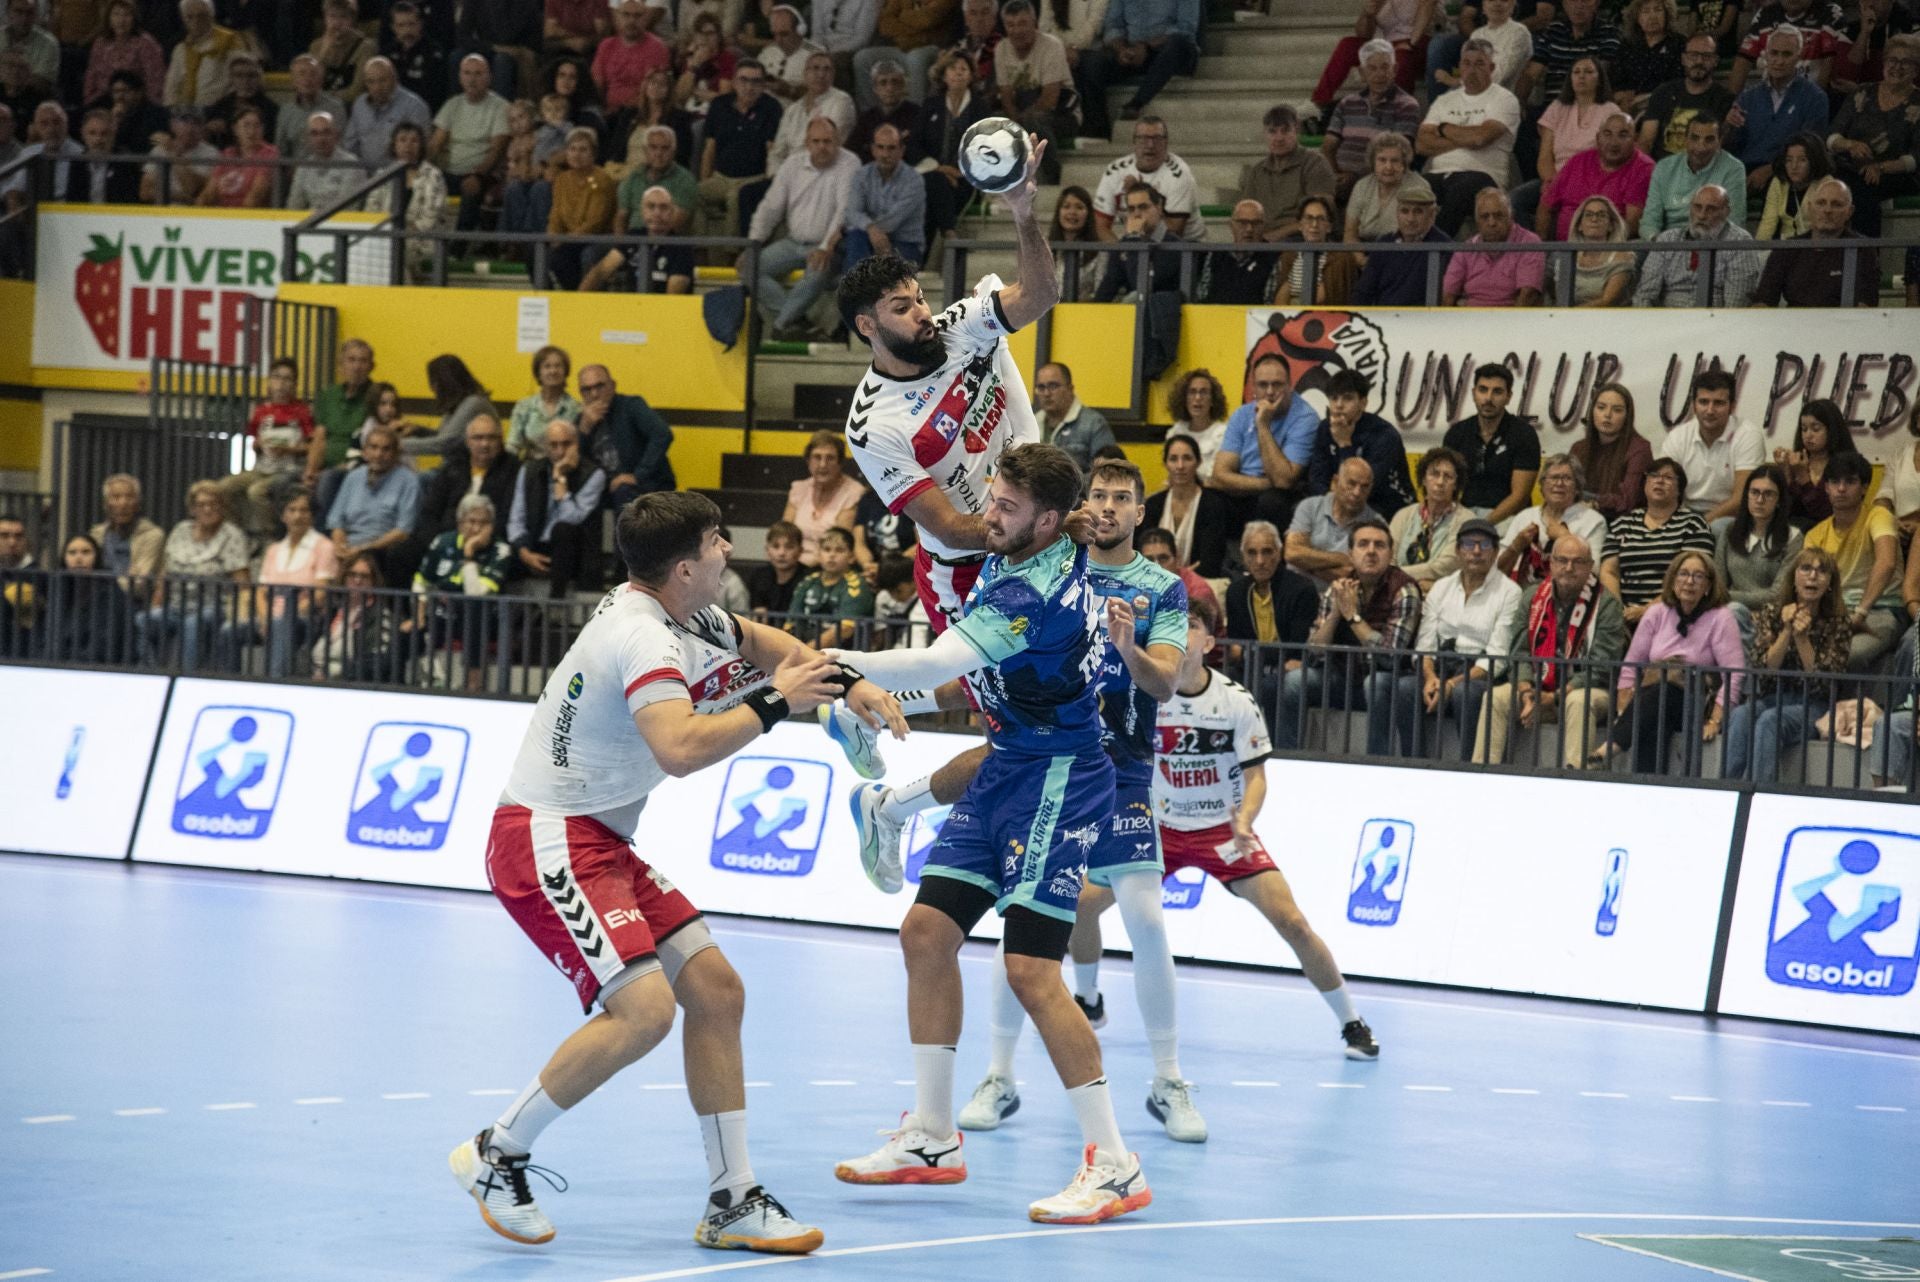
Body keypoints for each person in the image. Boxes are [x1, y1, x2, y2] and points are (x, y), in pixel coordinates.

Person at [455, 490, 896, 1254]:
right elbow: (681, 751)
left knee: (717, 993)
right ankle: (499, 1151)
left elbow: (777, 650)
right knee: (645, 1011)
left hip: (600, 839)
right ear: (687, 566)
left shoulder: (690, 612)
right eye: (719, 540)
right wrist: (774, 705)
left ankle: (732, 1200)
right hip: (546, 837)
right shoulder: (641, 639)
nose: (730, 547)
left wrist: (848, 683)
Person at [827, 445, 1154, 1225]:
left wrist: (831, 667)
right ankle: (933, 1136)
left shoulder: (1032, 590)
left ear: (1042, 519)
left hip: (1060, 779)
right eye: (992, 499)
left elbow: (936, 661)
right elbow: (966, 669)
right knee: (926, 932)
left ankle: (1115, 1165)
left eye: (1004, 507)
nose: (987, 516)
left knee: (1033, 973)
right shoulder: (1042, 542)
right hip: (1008, 763)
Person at [1474, 532, 1626, 766]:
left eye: (1578, 562)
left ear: (1591, 567)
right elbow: (1519, 652)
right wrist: (1526, 692)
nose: (1569, 567)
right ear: (1551, 563)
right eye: (1562, 560)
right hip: (1538, 688)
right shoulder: (1533, 596)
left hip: (1590, 689)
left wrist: (1553, 697)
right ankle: (1483, 774)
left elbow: (1601, 667)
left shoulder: (1606, 605)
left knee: (1578, 701)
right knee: (1496, 696)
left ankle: (1577, 781)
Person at [1382, 516, 1523, 758]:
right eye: (1469, 544)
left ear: (1495, 552)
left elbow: (1497, 657)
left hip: (1480, 673)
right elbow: (1425, 644)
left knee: (1464, 693)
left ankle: (1468, 769)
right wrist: (1430, 678)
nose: (1476, 551)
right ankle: (1413, 764)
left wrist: (1451, 684)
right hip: (1439, 667)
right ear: (1458, 551)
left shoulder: (1510, 592)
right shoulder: (1441, 587)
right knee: (1405, 687)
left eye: (1485, 545)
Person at [1276, 517, 1421, 753]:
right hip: (1343, 679)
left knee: (1377, 681)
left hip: (1388, 684)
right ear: (1350, 553)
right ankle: (1288, 758)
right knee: (1295, 681)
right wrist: (1336, 613)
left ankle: (1378, 763)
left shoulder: (1404, 590)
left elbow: (1389, 658)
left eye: (1379, 545)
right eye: (1363, 544)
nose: (1371, 551)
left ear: (1391, 553)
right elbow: (1314, 654)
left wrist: (1352, 616)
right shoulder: (1339, 588)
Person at [1596, 549, 1743, 773]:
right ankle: (1650, 790)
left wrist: (1715, 721)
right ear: (1673, 580)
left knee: (1662, 692)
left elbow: (1734, 674)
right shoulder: (1657, 612)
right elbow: (1631, 664)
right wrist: (1625, 711)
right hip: (1654, 702)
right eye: (1683, 574)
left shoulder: (1721, 617)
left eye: (1698, 576)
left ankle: (1609, 750)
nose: (1689, 582)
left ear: (1709, 585)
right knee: (1653, 721)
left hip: (1694, 702)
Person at [1721, 546, 1852, 783]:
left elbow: (1824, 680)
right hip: (1772, 696)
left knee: (1771, 720)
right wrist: (1788, 630)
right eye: (1806, 569)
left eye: (1822, 571)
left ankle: (1760, 795)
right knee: (1741, 714)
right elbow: (1763, 669)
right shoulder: (1772, 613)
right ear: (1793, 577)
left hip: (1815, 705)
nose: (1813, 576)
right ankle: (1725, 792)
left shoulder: (1838, 621)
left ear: (1830, 583)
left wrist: (1802, 639)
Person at [744, 115, 857, 338]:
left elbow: (844, 211)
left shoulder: (850, 163)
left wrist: (825, 247)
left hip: (829, 245)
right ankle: (796, 320)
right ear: (807, 143)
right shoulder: (792, 164)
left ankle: (780, 325)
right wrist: (752, 244)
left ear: (838, 142)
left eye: (828, 141)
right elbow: (770, 207)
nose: (822, 147)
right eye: (816, 142)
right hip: (792, 242)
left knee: (817, 271)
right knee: (749, 267)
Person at [1803, 452, 1905, 670]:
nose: (1841, 489)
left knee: (1844, 656)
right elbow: (1807, 584)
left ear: (1865, 488)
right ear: (1826, 488)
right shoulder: (1815, 534)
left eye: (1850, 482)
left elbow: (1886, 563)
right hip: (1833, 613)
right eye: (1835, 482)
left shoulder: (1878, 516)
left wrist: (1860, 612)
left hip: (1881, 610)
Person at [222, 489, 338, 677]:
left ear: (312, 516)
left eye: (304, 510)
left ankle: (275, 681)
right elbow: (261, 591)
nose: (297, 516)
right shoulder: (274, 549)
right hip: (270, 616)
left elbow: (320, 593)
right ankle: (228, 682)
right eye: (292, 510)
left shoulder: (324, 546)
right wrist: (265, 615)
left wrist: (286, 614)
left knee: (281, 624)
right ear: (283, 516)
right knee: (230, 630)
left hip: (306, 618)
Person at [1414, 40, 1520, 237]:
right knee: (1412, 191)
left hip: (1484, 175)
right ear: (1460, 66)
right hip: (1440, 173)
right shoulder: (1445, 100)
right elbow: (1421, 145)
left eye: (1479, 64)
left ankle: (1433, 251)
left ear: (1492, 67)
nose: (1472, 70)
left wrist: (1443, 128)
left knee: (1460, 191)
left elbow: (1480, 138)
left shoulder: (1504, 99)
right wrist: (1466, 137)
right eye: (1466, 63)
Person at [143, 481, 250, 671]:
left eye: (213, 504)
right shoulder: (180, 530)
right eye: (201, 505)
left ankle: (186, 677)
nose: (207, 509)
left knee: (192, 624)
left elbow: (242, 584)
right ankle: (149, 673)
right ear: (192, 509)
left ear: (223, 507)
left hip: (215, 607)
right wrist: (156, 603)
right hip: (177, 605)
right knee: (145, 620)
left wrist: (240, 618)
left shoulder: (232, 535)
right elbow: (164, 575)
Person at [1211, 353, 1321, 534]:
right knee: (1207, 500)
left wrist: (1263, 425)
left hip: (1280, 497)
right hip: (1245, 489)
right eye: (1263, 385)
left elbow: (1283, 480)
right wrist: (1263, 483)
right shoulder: (1241, 415)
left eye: (1277, 384)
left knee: (1271, 501)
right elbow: (1220, 475)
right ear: (1254, 387)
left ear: (1290, 385)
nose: (1270, 392)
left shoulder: (1306, 418)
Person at [1824, 33, 1920, 237]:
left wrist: (1879, 167)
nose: (1897, 67)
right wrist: (1849, 144)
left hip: (1897, 173)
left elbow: (1915, 158)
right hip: (1851, 167)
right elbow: (1832, 137)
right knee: (1832, 183)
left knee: (1862, 189)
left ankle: (1864, 255)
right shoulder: (1862, 93)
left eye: (1906, 62)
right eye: (1892, 60)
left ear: (1916, 69)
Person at [1601, 456, 1716, 624]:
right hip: (1622, 616)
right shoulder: (1622, 524)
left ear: (1680, 489)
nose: (1660, 481)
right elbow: (1608, 572)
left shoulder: (1693, 524)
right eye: (1654, 475)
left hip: (1674, 614)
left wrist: (1647, 611)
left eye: (1668, 478)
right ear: (1645, 484)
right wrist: (1618, 611)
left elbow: (1692, 578)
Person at [1226, 518, 1321, 710]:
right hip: (1251, 669)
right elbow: (1234, 648)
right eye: (1252, 553)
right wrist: (1246, 654)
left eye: (1267, 552)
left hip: (1289, 672)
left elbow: (1296, 650)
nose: (1260, 561)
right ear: (1243, 556)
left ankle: (1275, 742)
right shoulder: (1236, 591)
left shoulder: (1301, 589)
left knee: (1269, 687)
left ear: (1279, 553)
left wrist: (1248, 653)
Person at [508, 417, 608, 596]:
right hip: (534, 546)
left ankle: (556, 602)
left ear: (576, 443)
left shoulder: (594, 474)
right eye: (553, 445)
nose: (560, 451)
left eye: (566, 444)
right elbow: (516, 518)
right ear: (546, 447)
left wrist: (560, 480)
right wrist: (524, 553)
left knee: (562, 530)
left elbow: (573, 519)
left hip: (574, 550)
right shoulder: (529, 470)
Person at [1072, 0, 1199, 141]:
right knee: (1090, 62)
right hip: (1132, 49)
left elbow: (1186, 29)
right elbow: (1113, 26)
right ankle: (1098, 131)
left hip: (1171, 50)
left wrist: (1146, 46)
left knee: (1177, 45)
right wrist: (1122, 49)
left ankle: (1136, 103)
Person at [221, 356, 316, 539]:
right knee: (222, 488)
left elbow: (311, 447)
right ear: (270, 382)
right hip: (261, 468)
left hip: (288, 470)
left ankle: (270, 535)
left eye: (287, 379)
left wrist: (289, 450)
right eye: (277, 377)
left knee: (256, 492)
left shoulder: (302, 412)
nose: (281, 383)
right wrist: (257, 445)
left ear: (295, 384)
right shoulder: (260, 411)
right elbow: (254, 441)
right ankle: (237, 533)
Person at [1751, 176, 1881, 307]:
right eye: (1821, 203)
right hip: (1795, 324)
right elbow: (1764, 300)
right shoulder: (1788, 248)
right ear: (1809, 208)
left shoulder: (1863, 249)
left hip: (1843, 324)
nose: (1827, 210)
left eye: (1837, 204)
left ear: (1849, 212)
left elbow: (1866, 305)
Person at [413, 412, 521, 566]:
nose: (485, 444)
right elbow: (430, 512)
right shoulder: (453, 466)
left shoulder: (514, 469)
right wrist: (438, 542)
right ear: (467, 441)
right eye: (478, 438)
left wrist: (482, 540)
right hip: (446, 536)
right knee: (402, 552)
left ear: (501, 440)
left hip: (489, 541)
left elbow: (508, 517)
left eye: (491, 438)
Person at [1323, 40, 1425, 202]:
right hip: (1342, 178)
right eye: (1372, 68)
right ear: (1362, 73)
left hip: (1382, 180)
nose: (1379, 74)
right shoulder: (1347, 103)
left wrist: (1356, 178)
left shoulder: (1406, 105)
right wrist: (1336, 175)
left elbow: (1398, 155)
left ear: (1395, 70)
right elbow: (1329, 146)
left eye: (1385, 67)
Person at [1304, 371, 1416, 519]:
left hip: (1388, 505)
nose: (1339, 405)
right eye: (1334, 398)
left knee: (1353, 515)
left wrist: (1344, 444)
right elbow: (1317, 478)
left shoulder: (1385, 434)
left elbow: (1363, 488)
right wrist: (1328, 500)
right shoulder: (1326, 428)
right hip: (1343, 502)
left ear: (1363, 403)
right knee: (1304, 510)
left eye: (1347, 398)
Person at [1727, 27, 1830, 186]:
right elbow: (1732, 146)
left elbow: (1810, 151)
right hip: (1744, 171)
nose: (1779, 61)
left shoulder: (1815, 98)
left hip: (1789, 174)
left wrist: (1771, 169)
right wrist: (1728, 126)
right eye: (1774, 53)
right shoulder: (1747, 97)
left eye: (1787, 54)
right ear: (1766, 54)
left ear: (1799, 56)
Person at [1660, 369, 1764, 525]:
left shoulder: (1748, 435)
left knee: (1719, 527)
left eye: (1719, 403)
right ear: (1694, 405)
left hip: (1730, 516)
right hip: (1685, 512)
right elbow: (1664, 488)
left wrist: (1700, 523)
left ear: (1732, 407)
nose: (1710, 410)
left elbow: (1741, 498)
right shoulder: (1678, 437)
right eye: (1703, 402)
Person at [1633, 183, 1765, 306]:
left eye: (1711, 209)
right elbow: (1644, 295)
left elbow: (1736, 304)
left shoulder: (1739, 242)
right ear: (1690, 208)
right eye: (1697, 207)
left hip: (1715, 322)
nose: (1702, 215)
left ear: (1726, 212)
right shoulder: (1667, 239)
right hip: (1668, 321)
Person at [1440, 363, 1538, 523]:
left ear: (1508, 397)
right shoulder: (1457, 433)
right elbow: (1447, 486)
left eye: (1497, 392)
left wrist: (1482, 526)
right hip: (1465, 515)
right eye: (1483, 389)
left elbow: (1519, 496)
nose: (1488, 398)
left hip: (1509, 518)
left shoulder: (1524, 434)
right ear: (1473, 393)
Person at [327, 425, 422, 585]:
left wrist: (363, 549)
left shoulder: (409, 481)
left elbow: (403, 531)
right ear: (365, 451)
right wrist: (340, 546)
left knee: (364, 564)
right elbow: (336, 521)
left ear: (395, 454)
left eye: (386, 449)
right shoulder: (353, 477)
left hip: (380, 549)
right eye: (374, 448)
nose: (379, 454)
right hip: (348, 546)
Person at [1498, 453, 1609, 588]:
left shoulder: (1593, 521)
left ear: (1577, 487)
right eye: (1553, 478)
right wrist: (1515, 546)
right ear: (1542, 485)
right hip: (1523, 596)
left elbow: (1595, 572)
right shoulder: (1525, 517)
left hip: (1571, 596)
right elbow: (1497, 571)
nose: (1559, 483)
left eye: (1567, 478)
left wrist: (1565, 538)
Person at [1716, 464, 1803, 632]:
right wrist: (1722, 598)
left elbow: (1778, 595)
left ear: (1779, 500)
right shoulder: (1730, 531)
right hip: (1727, 613)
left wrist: (1727, 597)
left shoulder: (1793, 537)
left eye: (1768, 494)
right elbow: (1717, 583)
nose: (1760, 500)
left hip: (1770, 616)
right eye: (1754, 492)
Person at [1538, 112, 1651, 241]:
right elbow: (1545, 206)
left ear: (1635, 140)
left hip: (1609, 249)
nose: (1614, 142)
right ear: (1597, 138)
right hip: (1564, 251)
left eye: (1623, 135)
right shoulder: (1578, 160)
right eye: (1607, 134)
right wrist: (1543, 249)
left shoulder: (1643, 168)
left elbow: (1631, 225)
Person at [575, 364, 675, 508]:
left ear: (612, 386)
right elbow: (576, 461)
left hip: (644, 483)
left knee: (623, 491)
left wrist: (637, 475)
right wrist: (584, 429)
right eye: (587, 389)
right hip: (606, 486)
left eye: (600, 386)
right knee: (578, 496)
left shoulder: (631, 406)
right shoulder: (582, 419)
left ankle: (623, 531)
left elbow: (662, 435)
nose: (594, 394)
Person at [432, 54, 512, 233]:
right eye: (467, 73)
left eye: (478, 74)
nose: (472, 79)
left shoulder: (501, 107)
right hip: (448, 172)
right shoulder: (452, 105)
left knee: (471, 188)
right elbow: (435, 144)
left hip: (481, 173)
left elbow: (496, 150)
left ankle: (459, 247)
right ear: (460, 77)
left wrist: (478, 175)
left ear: (489, 77)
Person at [994, 0, 1075, 177]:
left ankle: (1054, 177)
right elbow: (1006, 96)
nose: (1017, 31)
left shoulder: (1052, 45)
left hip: (1062, 114)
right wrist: (1014, 122)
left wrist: (1019, 124)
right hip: (1022, 112)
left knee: (1034, 121)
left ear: (1034, 22)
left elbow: (1050, 99)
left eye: (1023, 23)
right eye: (1011, 25)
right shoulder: (1001, 49)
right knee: (991, 122)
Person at [919, 51, 990, 245]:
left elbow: (987, 147)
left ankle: (928, 254)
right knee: (935, 182)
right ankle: (949, 232)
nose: (958, 73)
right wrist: (940, 168)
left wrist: (960, 171)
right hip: (933, 172)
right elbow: (915, 144)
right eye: (953, 68)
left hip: (965, 179)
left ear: (970, 76)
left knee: (934, 193)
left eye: (963, 69)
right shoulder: (931, 105)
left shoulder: (980, 108)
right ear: (943, 75)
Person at [1237, 104, 1337, 241]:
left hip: (1301, 240)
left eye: (1285, 131)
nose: (1279, 138)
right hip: (1263, 241)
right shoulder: (1257, 171)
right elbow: (1245, 215)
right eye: (1272, 132)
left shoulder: (1315, 163)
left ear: (1296, 130)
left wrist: (1271, 238)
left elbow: (1319, 218)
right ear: (1265, 134)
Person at [1093, 115, 1203, 240]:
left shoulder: (1180, 174)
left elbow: (1174, 232)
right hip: (1138, 244)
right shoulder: (1115, 171)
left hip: (1187, 248)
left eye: (1157, 138)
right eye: (1143, 138)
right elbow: (1100, 226)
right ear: (1134, 142)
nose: (1150, 145)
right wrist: (1122, 253)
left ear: (1166, 143)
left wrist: (1139, 193)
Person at [364, 121, 449, 277]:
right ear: (394, 145)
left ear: (421, 146)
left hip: (423, 241)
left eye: (414, 141)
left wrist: (402, 231)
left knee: (397, 254)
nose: (408, 146)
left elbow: (429, 218)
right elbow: (371, 209)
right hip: (386, 237)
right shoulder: (383, 174)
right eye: (402, 140)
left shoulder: (433, 175)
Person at [1641, 113, 1748, 236]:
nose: (1701, 147)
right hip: (1667, 242)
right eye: (1695, 138)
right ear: (1685, 139)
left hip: (1713, 241)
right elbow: (1649, 222)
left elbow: (1735, 221)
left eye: (1709, 139)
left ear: (1719, 142)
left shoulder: (1733, 168)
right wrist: (1658, 245)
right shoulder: (1664, 167)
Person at [583, 181, 697, 291]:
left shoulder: (682, 247)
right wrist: (578, 301)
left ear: (672, 213)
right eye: (651, 206)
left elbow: (673, 297)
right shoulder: (634, 236)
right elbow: (601, 271)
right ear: (642, 212)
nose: (657, 213)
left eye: (663, 207)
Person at [310, 551, 406, 682]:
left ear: (373, 582)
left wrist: (336, 676)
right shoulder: (331, 611)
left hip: (349, 684)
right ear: (343, 578)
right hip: (313, 680)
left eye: (364, 576)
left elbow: (376, 661)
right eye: (352, 575)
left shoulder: (379, 615)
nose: (357, 581)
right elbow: (307, 648)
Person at [1143, 433, 1230, 577]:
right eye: (1173, 459)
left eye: (1187, 458)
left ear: (1199, 462)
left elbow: (1210, 562)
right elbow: (1142, 554)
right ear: (1165, 464)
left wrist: (1182, 577)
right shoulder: (1153, 505)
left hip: (1199, 583)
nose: (1180, 466)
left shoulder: (1213, 504)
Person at [1288, 457, 1386, 584]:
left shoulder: (1375, 524)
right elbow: (1292, 553)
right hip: (1297, 594)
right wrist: (1341, 558)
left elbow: (1355, 576)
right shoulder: (1309, 507)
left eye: (1364, 487)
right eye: (1351, 483)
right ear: (1335, 482)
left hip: (1342, 599)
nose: (1357, 492)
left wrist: (1307, 563)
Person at [1639, 33, 1736, 160]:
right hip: (1661, 170)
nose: (1699, 61)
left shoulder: (1725, 99)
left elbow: (1720, 150)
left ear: (1715, 61)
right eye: (1693, 55)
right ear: (1683, 59)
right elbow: (1646, 141)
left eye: (1706, 56)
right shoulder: (1663, 92)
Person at [1352, 183, 1452, 305]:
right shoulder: (1385, 244)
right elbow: (1364, 291)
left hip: (1423, 320)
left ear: (1432, 215)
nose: (1410, 219)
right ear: (1397, 214)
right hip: (1382, 319)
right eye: (1405, 211)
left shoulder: (1445, 247)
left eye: (1418, 212)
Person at [1442, 188, 1545, 306]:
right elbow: (1448, 295)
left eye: (1498, 216)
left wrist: (1510, 324)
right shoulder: (1466, 249)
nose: (1492, 223)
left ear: (1511, 216)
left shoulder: (1529, 242)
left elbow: (1528, 296)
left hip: (1510, 318)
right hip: (1470, 318)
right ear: (1477, 221)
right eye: (1485, 217)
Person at [841, 123, 923, 268]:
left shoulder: (914, 179)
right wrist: (871, 229)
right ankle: (856, 288)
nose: (885, 154)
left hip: (904, 244)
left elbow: (893, 220)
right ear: (873, 149)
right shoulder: (862, 175)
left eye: (891, 148)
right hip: (868, 239)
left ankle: (859, 287)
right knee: (855, 237)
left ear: (901, 150)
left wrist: (870, 229)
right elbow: (852, 212)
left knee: (859, 238)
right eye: (880, 147)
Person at [546, 126, 618, 289]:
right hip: (569, 239)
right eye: (572, 149)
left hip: (596, 237)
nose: (576, 154)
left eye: (583, 150)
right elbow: (555, 214)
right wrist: (552, 235)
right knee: (536, 252)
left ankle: (582, 299)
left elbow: (595, 222)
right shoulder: (562, 179)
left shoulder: (602, 180)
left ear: (593, 154)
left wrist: (565, 239)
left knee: (577, 255)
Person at [45, 534, 135, 665]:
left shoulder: (111, 592)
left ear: (97, 557)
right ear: (64, 558)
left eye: (86, 552)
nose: (78, 558)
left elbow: (104, 647)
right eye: (72, 552)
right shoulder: (59, 589)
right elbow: (49, 637)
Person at [783, 430, 865, 566]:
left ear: (840, 462)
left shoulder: (853, 493)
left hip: (829, 566)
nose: (822, 465)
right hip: (793, 566)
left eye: (830, 458)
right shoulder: (799, 489)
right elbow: (784, 536)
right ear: (808, 461)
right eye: (817, 457)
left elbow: (838, 542)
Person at [1573, 383, 1652, 521]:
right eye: (1601, 407)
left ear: (1627, 416)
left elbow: (1627, 501)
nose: (1607, 415)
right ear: (1592, 411)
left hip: (1622, 525)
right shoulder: (1578, 448)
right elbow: (1567, 493)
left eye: (1617, 410)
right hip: (1579, 520)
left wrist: (1593, 501)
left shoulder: (1639, 449)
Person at [1390, 447, 1466, 591]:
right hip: (1396, 591)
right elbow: (1388, 558)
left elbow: (1444, 567)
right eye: (1434, 474)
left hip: (1442, 593)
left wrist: (1394, 575)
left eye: (1448, 476)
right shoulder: (1403, 515)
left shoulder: (1465, 520)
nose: (1440, 482)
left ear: (1456, 484)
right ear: (1423, 479)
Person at [1091, 182, 1182, 302]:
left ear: (1159, 207)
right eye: (1131, 209)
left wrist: (1134, 237)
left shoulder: (1175, 246)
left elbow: (1140, 287)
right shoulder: (1125, 244)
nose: (1137, 214)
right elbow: (1108, 287)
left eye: (1143, 207)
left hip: (1162, 314)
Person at [1775, 399, 1858, 529]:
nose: (1808, 435)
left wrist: (1804, 479)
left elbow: (1827, 515)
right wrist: (1785, 472)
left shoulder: (1847, 466)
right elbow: (1785, 511)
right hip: (1794, 535)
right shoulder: (1797, 462)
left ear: (1832, 430)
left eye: (1815, 429)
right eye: (1804, 429)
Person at [854, 0, 954, 105]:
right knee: (862, 58)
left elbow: (926, 19)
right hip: (903, 46)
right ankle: (872, 114)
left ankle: (914, 114)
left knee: (915, 58)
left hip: (933, 47)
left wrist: (901, 16)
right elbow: (885, 24)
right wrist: (916, 30)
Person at [345, 56, 433, 167]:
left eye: (382, 80)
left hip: (400, 176)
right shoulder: (360, 104)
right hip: (363, 176)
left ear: (394, 79)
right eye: (371, 82)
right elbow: (350, 145)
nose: (377, 87)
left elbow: (422, 151)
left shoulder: (415, 106)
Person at [770, 52, 852, 168]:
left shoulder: (841, 101)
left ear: (833, 75)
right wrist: (776, 177)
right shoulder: (793, 109)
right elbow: (777, 152)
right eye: (815, 68)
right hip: (788, 173)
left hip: (822, 170)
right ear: (805, 74)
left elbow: (825, 147)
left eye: (827, 70)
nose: (821, 74)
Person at [1344, 133, 1432, 241]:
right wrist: (1360, 258)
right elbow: (1349, 233)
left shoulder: (1418, 186)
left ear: (1404, 163)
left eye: (1394, 161)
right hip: (1362, 250)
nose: (1388, 167)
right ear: (1373, 162)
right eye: (1382, 160)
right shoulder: (1362, 186)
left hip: (1402, 249)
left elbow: (1421, 234)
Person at [1272, 195, 1357, 305]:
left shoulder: (1341, 257)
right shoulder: (1288, 255)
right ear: (1300, 225)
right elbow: (1279, 300)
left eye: (1321, 219)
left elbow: (1322, 298)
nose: (1314, 225)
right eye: (1309, 218)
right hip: (1289, 317)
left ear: (1329, 227)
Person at [1033, 362, 1115, 475]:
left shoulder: (1094, 424)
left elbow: (1107, 473)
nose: (1046, 393)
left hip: (1079, 491)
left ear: (1070, 389)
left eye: (1053, 386)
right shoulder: (1031, 424)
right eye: (1041, 387)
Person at [84, 1, 166, 110]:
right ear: (109, 17)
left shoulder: (146, 43)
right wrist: (89, 101)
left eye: (127, 15)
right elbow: (91, 75)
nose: (121, 20)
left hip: (135, 103)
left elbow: (155, 79)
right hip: (103, 101)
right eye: (116, 14)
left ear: (134, 18)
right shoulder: (101, 43)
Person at [1195, 199, 1278, 305]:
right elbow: (1202, 296)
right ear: (1231, 225)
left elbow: (1269, 302)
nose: (1249, 229)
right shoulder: (1216, 255)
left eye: (1256, 223)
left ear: (1264, 226)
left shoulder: (1273, 257)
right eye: (1242, 223)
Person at [163, 0, 242, 109]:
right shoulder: (180, 49)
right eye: (190, 17)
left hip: (219, 112)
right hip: (185, 116)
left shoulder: (229, 42)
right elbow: (171, 88)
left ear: (212, 16)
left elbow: (238, 83)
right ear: (183, 19)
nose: (196, 21)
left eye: (202, 16)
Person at [506, 346, 580, 461]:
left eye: (558, 366)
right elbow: (513, 445)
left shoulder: (576, 409)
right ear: (538, 373)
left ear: (566, 372)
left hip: (566, 469)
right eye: (547, 366)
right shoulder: (524, 407)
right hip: (531, 470)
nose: (553, 371)